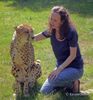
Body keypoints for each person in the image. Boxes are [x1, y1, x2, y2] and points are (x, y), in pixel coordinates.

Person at [32, 6, 84, 95]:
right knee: (44, 92)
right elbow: (35, 38)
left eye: (55, 20)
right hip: (62, 66)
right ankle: (68, 83)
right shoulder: (52, 30)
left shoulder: (71, 32)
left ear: (62, 21)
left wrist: (58, 70)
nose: (52, 22)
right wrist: (23, 35)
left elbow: (73, 55)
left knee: (54, 80)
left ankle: (74, 82)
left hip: (75, 68)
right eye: (51, 19)